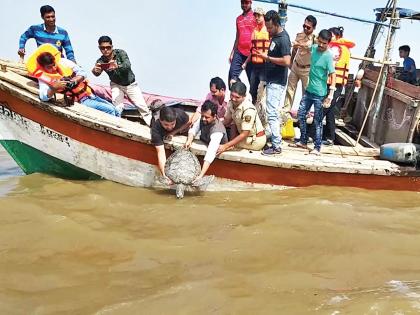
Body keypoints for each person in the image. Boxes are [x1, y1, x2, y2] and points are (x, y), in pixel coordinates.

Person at [27, 44, 119, 116]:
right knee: (110, 110)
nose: (54, 68)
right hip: (81, 102)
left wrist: (75, 80)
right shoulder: (44, 78)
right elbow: (43, 97)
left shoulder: (63, 62)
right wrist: (53, 88)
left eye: (54, 64)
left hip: (90, 94)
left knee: (116, 110)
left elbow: (82, 73)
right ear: (43, 67)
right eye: (49, 67)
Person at [253, 10, 291, 155]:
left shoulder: (283, 39)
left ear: (276, 24)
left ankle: (276, 146)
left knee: (272, 113)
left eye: (269, 27)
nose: (268, 30)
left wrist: (267, 58)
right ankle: (274, 140)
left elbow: (287, 61)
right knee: (271, 111)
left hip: (277, 82)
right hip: (271, 80)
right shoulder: (275, 36)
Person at [92, 36, 152, 126]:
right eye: (102, 48)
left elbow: (127, 66)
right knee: (117, 106)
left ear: (112, 47)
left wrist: (117, 66)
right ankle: (117, 125)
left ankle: (153, 127)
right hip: (116, 85)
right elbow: (97, 73)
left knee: (142, 106)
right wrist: (94, 71)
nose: (105, 50)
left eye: (108, 47)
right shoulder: (100, 61)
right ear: (99, 48)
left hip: (130, 84)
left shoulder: (121, 53)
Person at [293, 30, 336, 156]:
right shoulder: (314, 47)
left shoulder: (328, 56)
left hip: (320, 94)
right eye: (320, 42)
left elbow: (333, 74)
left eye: (325, 43)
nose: (322, 45)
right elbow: (306, 46)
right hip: (309, 90)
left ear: (328, 43)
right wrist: (296, 44)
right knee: (301, 114)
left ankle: (317, 147)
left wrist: (330, 95)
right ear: (318, 40)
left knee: (317, 121)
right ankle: (303, 140)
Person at [322, 26, 355, 146]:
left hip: (334, 82)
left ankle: (310, 134)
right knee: (330, 111)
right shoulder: (344, 48)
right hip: (336, 82)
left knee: (324, 108)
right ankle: (330, 137)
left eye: (331, 35)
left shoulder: (335, 48)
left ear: (337, 36)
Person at [217, 82, 266, 155]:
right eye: (232, 95)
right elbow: (228, 121)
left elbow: (245, 133)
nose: (233, 99)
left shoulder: (248, 109)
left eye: (237, 97)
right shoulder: (231, 103)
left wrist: (226, 146)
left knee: (221, 145)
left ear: (244, 96)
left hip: (254, 140)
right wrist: (214, 125)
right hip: (243, 137)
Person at [185, 101, 228, 181]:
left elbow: (211, 153)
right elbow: (193, 129)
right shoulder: (203, 119)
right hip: (205, 141)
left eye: (207, 117)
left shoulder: (217, 131)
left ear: (214, 116)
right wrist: (189, 140)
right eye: (202, 116)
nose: (203, 119)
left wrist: (201, 175)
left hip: (216, 148)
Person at [283, 15, 317, 116]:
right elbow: (294, 49)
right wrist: (290, 61)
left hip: (307, 69)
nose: (305, 28)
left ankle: (304, 111)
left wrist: (299, 44)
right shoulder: (299, 35)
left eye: (308, 27)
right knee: (290, 89)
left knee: (306, 92)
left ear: (313, 28)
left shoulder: (316, 39)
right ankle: (286, 109)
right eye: (304, 26)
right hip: (296, 65)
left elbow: (310, 46)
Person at [151, 106, 190, 178]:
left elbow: (189, 122)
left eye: (172, 124)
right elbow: (161, 152)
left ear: (176, 119)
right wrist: (164, 174)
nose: (169, 127)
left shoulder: (181, 115)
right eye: (166, 124)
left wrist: (174, 132)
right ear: (160, 120)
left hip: (181, 131)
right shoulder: (156, 128)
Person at [242, 7, 270, 105]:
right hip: (254, 65)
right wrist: (245, 62)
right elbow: (252, 49)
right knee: (252, 90)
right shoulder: (254, 31)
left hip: (264, 66)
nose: (257, 18)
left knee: (262, 92)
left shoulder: (268, 31)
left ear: (264, 16)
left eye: (259, 16)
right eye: (255, 16)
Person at [228, 0, 257, 87]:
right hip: (239, 52)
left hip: (251, 54)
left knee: (253, 83)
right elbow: (237, 36)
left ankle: (254, 99)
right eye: (242, 3)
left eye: (246, 3)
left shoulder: (255, 17)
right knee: (232, 76)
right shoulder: (238, 19)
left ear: (250, 3)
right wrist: (232, 52)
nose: (244, 5)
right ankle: (235, 97)